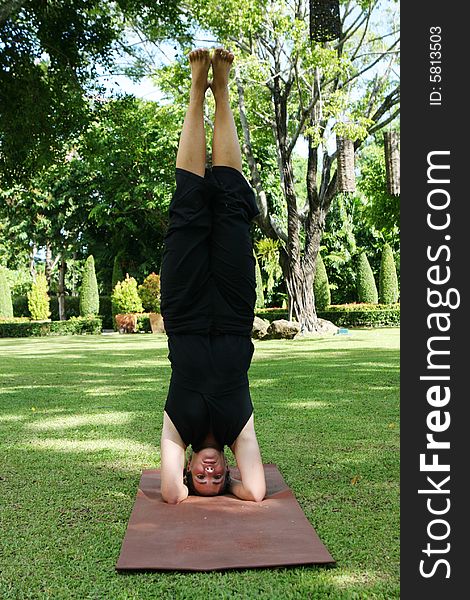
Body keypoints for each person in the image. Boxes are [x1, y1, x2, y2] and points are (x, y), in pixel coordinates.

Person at [159, 48, 266, 504]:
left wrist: (182, 487)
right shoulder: (237, 427)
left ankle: (195, 90)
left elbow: (169, 494)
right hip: (233, 312)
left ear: (186, 469)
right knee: (230, 208)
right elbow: (257, 491)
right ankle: (220, 91)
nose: (209, 474)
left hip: (183, 311)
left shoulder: (175, 429)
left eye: (198, 478)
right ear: (227, 469)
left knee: (188, 205)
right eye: (216, 479)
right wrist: (233, 487)